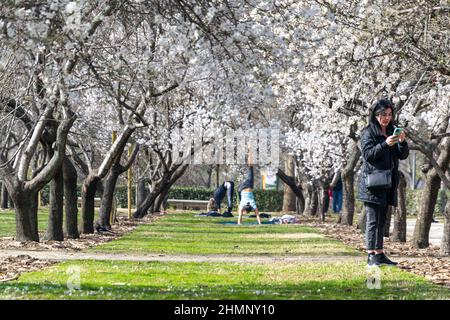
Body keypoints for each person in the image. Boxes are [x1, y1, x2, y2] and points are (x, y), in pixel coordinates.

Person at [358, 99, 409, 267]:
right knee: (373, 220)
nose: (386, 118)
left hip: (388, 182)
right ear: (375, 115)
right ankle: (371, 255)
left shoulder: (393, 131)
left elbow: (402, 156)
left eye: (388, 114)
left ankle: (379, 253)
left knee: (382, 220)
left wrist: (401, 141)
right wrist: (384, 144)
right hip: (373, 183)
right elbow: (368, 155)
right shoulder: (368, 132)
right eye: (382, 115)